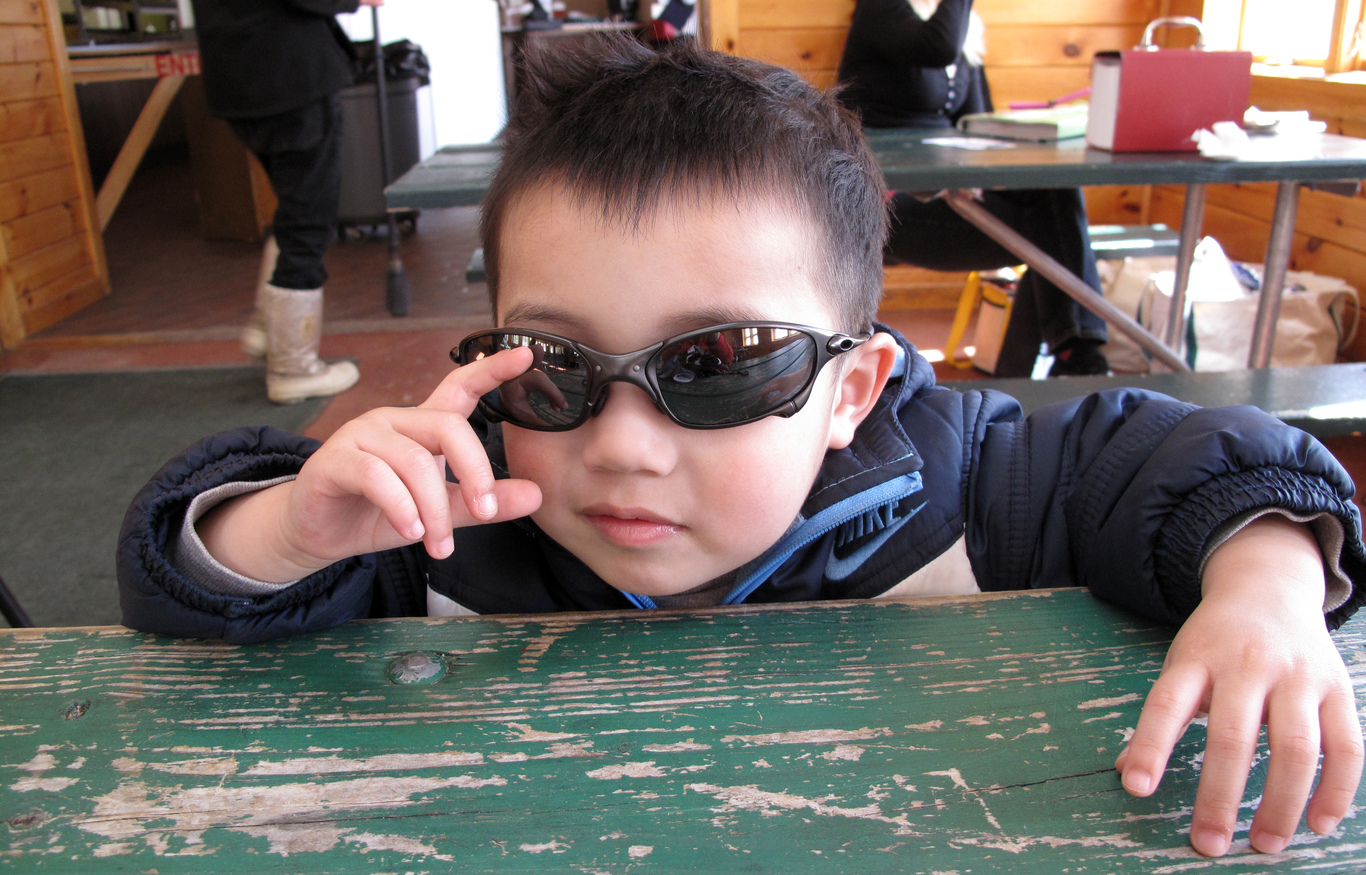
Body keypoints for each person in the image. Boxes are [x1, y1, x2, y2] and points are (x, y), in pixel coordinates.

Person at [117, 37, 1365, 859]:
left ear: (850, 389)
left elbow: (1198, 454)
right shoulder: (450, 516)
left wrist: (1264, 587)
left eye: (719, 363)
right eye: (553, 362)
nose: (622, 447)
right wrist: (288, 526)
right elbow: (181, 592)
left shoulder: (960, 480)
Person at [837, 0, 1110, 377]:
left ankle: (1075, 355)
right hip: (884, 208)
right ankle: (1074, 359)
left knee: (1054, 197)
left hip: (947, 194)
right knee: (1055, 236)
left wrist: (980, 177)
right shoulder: (882, 9)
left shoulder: (963, 26)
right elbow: (938, 47)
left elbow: (978, 119)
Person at [189, 0, 378, 403]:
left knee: (296, 208)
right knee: (308, 218)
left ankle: (268, 329)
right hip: (290, 74)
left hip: (237, 80)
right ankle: (294, 368)